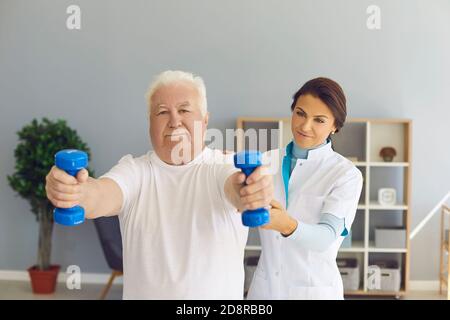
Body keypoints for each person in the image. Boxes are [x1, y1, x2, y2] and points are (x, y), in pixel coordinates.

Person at [45, 70, 274, 299]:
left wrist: (249, 191)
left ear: (204, 121)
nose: (174, 121)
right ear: (150, 123)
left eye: (184, 110)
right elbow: (101, 194)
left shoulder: (223, 165)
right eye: (163, 112)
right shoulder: (134, 171)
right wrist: (76, 192)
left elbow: (235, 186)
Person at [247, 77, 363, 300]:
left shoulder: (345, 174)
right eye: (300, 113)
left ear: (335, 126)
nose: (304, 126)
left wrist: (286, 224)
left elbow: (326, 237)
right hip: (265, 290)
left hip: (314, 290)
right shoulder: (265, 162)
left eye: (319, 120)